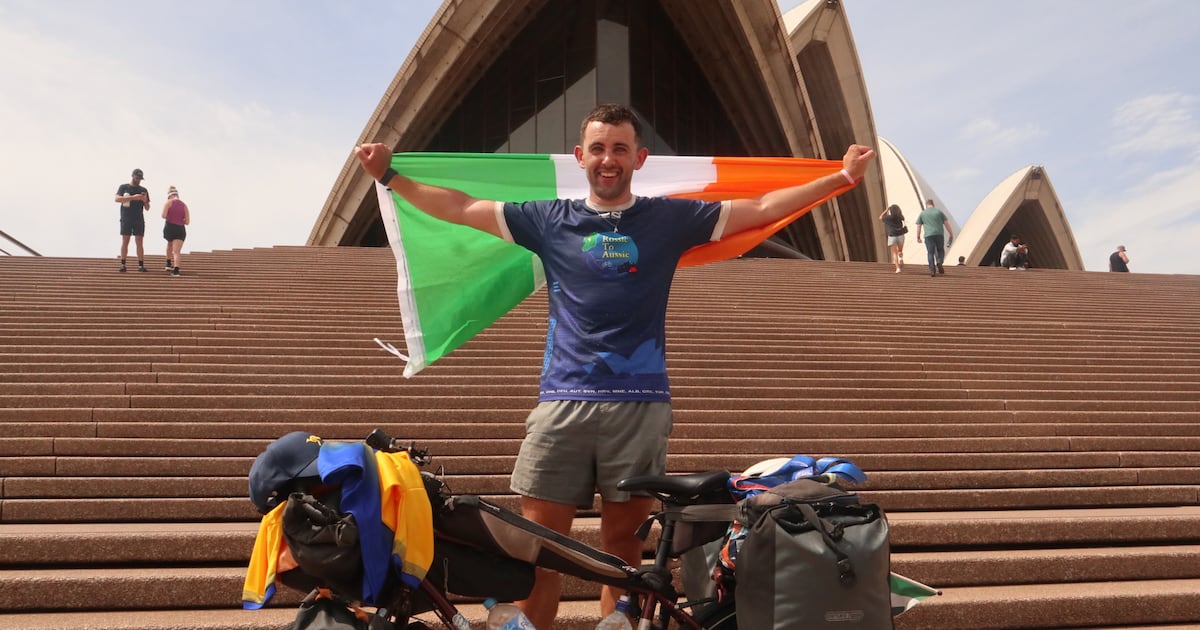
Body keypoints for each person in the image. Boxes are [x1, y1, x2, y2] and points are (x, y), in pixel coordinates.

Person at [353, 103, 875, 629]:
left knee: (621, 557)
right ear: (580, 156)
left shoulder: (669, 218)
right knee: (539, 554)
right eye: (598, 148)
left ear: (639, 158)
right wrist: (391, 176)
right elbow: (463, 207)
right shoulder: (547, 219)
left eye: (620, 148)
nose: (608, 159)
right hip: (563, 403)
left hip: (639, 406)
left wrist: (840, 178)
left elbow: (761, 206)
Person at [115, 168, 150, 272]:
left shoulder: (143, 190)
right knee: (126, 240)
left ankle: (141, 265)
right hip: (126, 217)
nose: (139, 180)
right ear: (133, 176)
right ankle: (123, 264)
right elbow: (117, 199)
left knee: (139, 241)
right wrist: (133, 198)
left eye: (140, 178)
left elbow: (147, 208)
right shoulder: (124, 187)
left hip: (138, 218)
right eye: (137, 178)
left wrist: (144, 201)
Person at [914, 198, 953, 277]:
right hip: (939, 234)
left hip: (928, 236)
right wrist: (951, 234)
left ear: (926, 205)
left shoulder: (923, 213)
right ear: (933, 204)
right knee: (940, 250)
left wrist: (918, 237)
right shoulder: (939, 212)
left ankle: (932, 271)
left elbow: (918, 226)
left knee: (930, 253)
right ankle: (939, 261)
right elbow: (946, 224)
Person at [161, 185, 190, 276]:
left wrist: (171, 216)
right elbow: (187, 222)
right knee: (176, 251)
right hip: (180, 229)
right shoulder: (184, 205)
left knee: (169, 244)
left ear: (169, 195)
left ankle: (168, 263)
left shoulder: (168, 202)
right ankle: (176, 270)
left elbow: (163, 215)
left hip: (170, 226)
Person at [878, 204, 906, 273]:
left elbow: (880, 217)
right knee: (900, 251)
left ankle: (897, 268)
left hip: (892, 236)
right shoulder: (900, 217)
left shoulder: (888, 218)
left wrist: (886, 210)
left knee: (894, 253)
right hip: (900, 235)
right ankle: (901, 258)